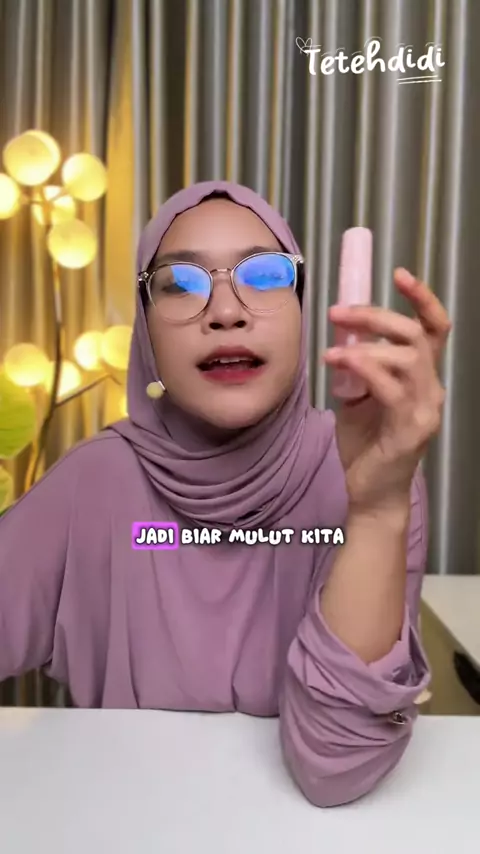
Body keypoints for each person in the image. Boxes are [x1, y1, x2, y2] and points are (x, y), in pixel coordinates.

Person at [0, 180, 450, 807]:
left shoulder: (373, 471)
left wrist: (376, 510)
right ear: (145, 332)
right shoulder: (92, 482)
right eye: (180, 284)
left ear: (302, 307)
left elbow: (337, 770)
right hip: (119, 823)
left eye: (264, 276)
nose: (226, 311)